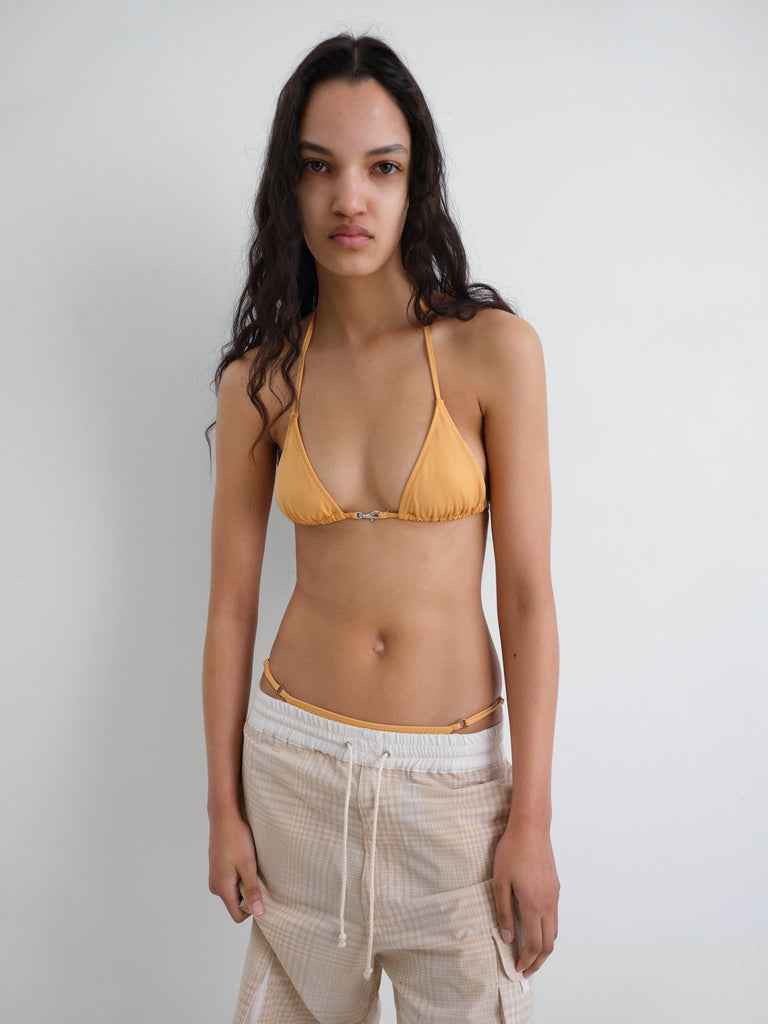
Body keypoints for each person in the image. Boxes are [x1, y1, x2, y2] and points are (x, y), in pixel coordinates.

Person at [202, 32, 559, 1024]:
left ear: (416, 182)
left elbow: (528, 596)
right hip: (293, 776)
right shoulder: (260, 379)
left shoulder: (494, 353)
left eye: (381, 167)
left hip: (454, 799)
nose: (348, 198)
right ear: (288, 186)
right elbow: (230, 607)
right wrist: (222, 805)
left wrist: (531, 818)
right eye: (318, 167)